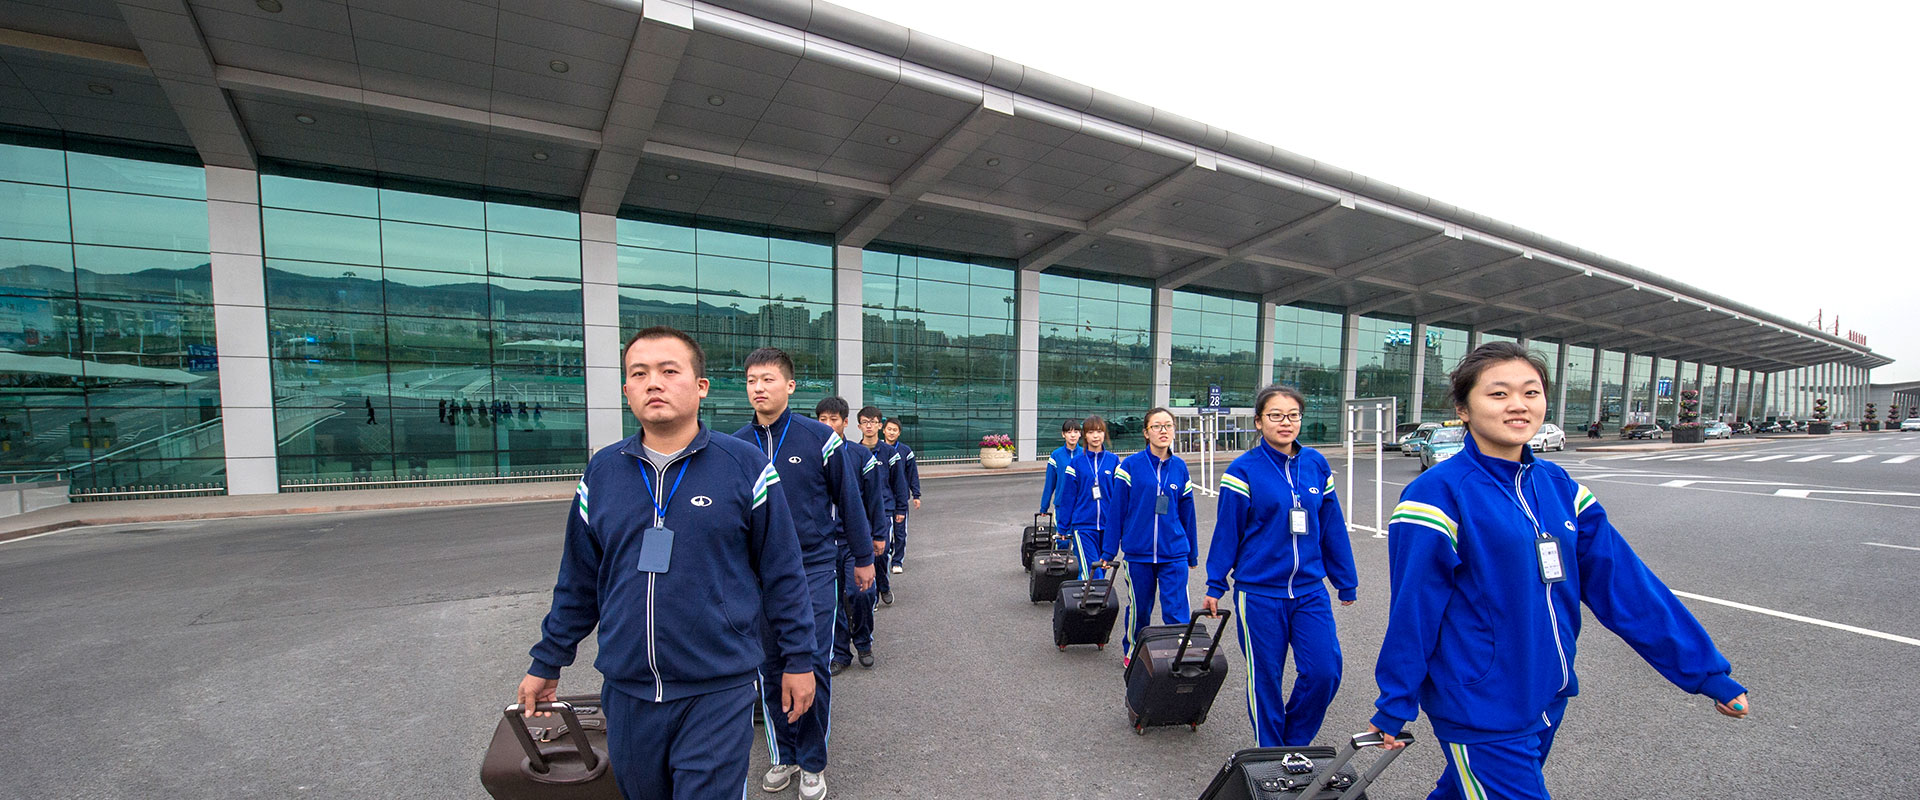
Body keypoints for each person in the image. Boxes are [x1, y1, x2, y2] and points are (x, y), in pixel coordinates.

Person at [1369, 342, 1749, 799]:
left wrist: (1705, 671)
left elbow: (1625, 585)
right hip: (1480, 704)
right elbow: (1414, 607)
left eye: (1531, 392)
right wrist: (1396, 699)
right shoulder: (1437, 494)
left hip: (1548, 692)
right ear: (1463, 409)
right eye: (1498, 394)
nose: (1518, 405)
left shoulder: (1561, 488)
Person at [517, 326, 815, 800]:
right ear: (626, 390)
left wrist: (799, 659)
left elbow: (783, 574)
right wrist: (547, 660)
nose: (653, 382)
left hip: (717, 689)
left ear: (701, 386)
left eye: (669, 371)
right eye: (639, 374)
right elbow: (579, 580)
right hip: (628, 691)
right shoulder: (603, 472)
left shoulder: (745, 467)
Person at [735, 348, 872, 800]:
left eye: (768, 379)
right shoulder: (735, 446)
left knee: (810, 663)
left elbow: (849, 500)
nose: (759, 388)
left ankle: (812, 762)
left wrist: (863, 557)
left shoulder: (820, 438)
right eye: (752, 380)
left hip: (812, 566)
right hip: (757, 576)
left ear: (790, 386)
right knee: (770, 666)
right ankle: (785, 755)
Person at [1201, 384, 1357, 748]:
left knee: (1324, 671)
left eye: (1293, 415)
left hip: (1309, 590)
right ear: (1259, 422)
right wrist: (1215, 584)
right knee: (1265, 678)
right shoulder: (1243, 470)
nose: (1285, 422)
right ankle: (1271, 754)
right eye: (1275, 415)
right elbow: (1227, 532)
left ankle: (1293, 741)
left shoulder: (1316, 464)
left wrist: (1345, 580)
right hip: (1258, 593)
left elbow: (1332, 526)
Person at [1098, 407, 1198, 662]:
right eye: (1157, 426)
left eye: (1168, 426)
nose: (1163, 431)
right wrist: (1109, 550)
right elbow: (1117, 510)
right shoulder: (1130, 466)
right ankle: (1134, 651)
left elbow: (1188, 513)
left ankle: (1180, 657)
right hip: (1138, 553)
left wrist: (1192, 553)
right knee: (1140, 609)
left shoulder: (1180, 468)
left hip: (1174, 551)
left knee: (1177, 610)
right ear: (1146, 432)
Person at [817, 397, 889, 675]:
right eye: (822, 419)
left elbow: (874, 500)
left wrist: (879, 535)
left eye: (833, 419)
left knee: (862, 594)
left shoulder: (860, 456)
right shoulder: (812, 454)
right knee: (831, 602)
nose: (828, 425)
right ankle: (840, 652)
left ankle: (863, 641)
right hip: (823, 543)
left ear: (845, 422)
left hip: (854, 542)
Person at [1058, 415, 1121, 581]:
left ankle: (1089, 595)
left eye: (1099, 431)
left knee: (1102, 567)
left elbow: (1120, 497)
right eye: (1091, 432)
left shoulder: (1113, 461)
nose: (1095, 436)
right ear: (1085, 435)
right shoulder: (1076, 463)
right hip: (1083, 526)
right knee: (1092, 570)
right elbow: (1068, 497)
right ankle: (1093, 594)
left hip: (1108, 526)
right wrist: (1063, 527)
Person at [859, 406, 909, 605]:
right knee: (865, 553)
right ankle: (871, 595)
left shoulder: (889, 453)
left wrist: (901, 509)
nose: (869, 426)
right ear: (859, 426)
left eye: (873, 422)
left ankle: (884, 586)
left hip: (885, 510)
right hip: (862, 512)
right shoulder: (854, 452)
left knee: (882, 552)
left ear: (879, 426)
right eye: (865, 422)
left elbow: (899, 483)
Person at [882, 418, 921, 574]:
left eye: (895, 430)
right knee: (883, 532)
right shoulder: (877, 450)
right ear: (883, 430)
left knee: (900, 532)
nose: (891, 432)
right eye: (889, 429)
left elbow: (913, 474)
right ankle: (884, 558)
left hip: (900, 500)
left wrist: (916, 494)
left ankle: (897, 561)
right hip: (883, 500)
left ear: (899, 433)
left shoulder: (906, 451)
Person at [1039, 418, 1082, 517]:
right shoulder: (1056, 455)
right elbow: (1050, 483)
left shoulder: (1086, 454)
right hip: (1061, 506)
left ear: (1080, 434)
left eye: (1076, 432)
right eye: (1069, 432)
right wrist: (1044, 507)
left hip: (1081, 506)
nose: (1073, 435)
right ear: (1063, 434)